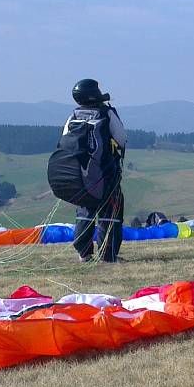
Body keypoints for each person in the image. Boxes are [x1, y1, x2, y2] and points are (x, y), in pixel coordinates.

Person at [65, 78, 127, 263]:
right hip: (105, 173)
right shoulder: (106, 113)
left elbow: (65, 141)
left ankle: (84, 253)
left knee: (85, 211)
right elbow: (121, 138)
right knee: (110, 211)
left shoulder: (74, 116)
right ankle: (108, 255)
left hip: (81, 176)